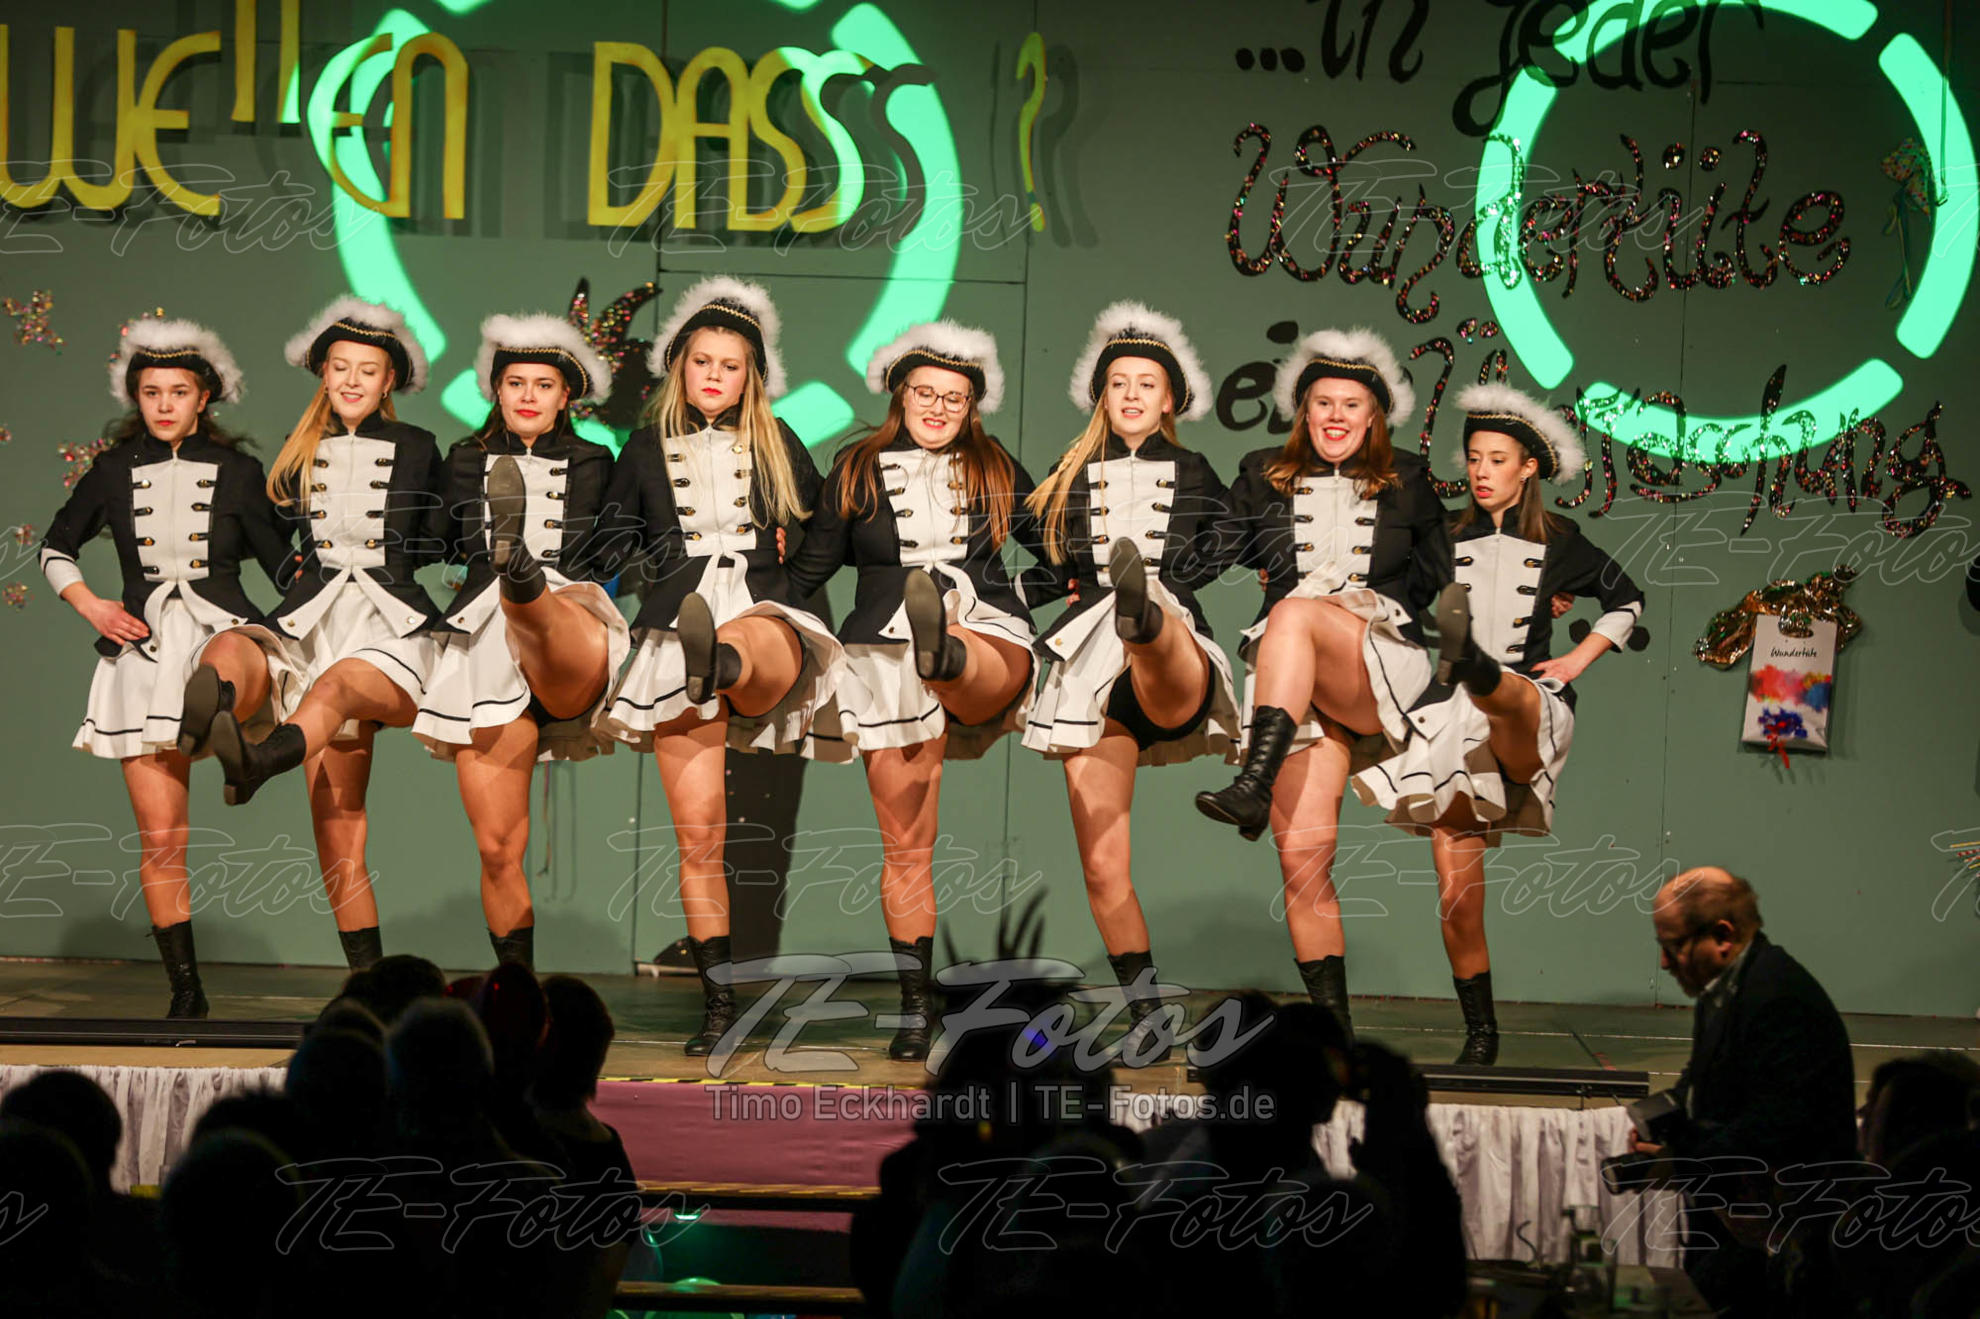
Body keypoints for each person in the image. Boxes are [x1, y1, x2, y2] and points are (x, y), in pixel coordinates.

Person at [211, 314, 629, 970]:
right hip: (481, 647)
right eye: (515, 383)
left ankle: (524, 577)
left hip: (565, 627)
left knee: (546, 607)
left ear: (565, 396)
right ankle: (514, 990)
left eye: (543, 385)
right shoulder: (463, 460)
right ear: (495, 389)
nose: (527, 395)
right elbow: (432, 537)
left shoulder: (596, 461)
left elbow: (621, 538)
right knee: (498, 848)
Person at [1349, 382, 1645, 1063]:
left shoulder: (1561, 541)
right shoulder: (1447, 539)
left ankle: (1479, 665)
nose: (1481, 472)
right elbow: (1394, 601)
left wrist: (1575, 660)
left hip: (1531, 701)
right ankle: (1481, 1032)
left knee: (1509, 696)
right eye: (1475, 458)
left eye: (1497, 460)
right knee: (1456, 896)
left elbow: (1627, 600)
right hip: (1452, 725)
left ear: (1528, 467)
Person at [789, 321, 1054, 1062]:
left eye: (954, 398)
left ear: (973, 407)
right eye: (925, 393)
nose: (938, 408)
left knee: (963, 641)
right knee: (907, 843)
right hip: (884, 653)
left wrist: (1023, 594)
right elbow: (811, 570)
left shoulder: (996, 466)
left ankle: (947, 648)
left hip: (986, 630)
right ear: (899, 395)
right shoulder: (856, 468)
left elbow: (1059, 554)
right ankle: (915, 1008)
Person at [596, 277, 842, 1055]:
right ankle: (717, 1006)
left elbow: (825, 525)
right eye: (701, 361)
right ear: (679, 366)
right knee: (700, 834)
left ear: (751, 377)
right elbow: (610, 539)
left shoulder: (779, 441)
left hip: (764, 614)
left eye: (730, 365)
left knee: (750, 636)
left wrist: (795, 583)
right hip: (677, 623)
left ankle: (723, 658)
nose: (713, 375)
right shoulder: (643, 448)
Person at [1194, 328, 1450, 1041]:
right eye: (1323, 403)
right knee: (1302, 863)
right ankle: (1334, 1041)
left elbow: (1446, 571)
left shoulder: (1408, 478)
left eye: (1351, 405)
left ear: (1374, 417)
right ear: (1302, 411)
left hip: (1377, 662)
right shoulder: (1262, 474)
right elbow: (1205, 557)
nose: (1336, 416)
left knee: (1294, 610)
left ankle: (1252, 779)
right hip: (1292, 683)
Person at [176, 296, 445, 971]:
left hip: (390, 626)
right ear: (323, 373)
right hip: (313, 621)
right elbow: (277, 548)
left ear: (389, 381)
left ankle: (257, 760)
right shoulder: (299, 455)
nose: (352, 380)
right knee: (336, 828)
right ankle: (368, 983)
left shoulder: (418, 447)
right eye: (340, 367)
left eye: (367, 370)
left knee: (339, 685)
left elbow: (444, 532)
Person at [40, 319, 289, 1016]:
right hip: (145, 655)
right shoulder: (112, 470)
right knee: (161, 838)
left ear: (204, 396)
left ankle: (233, 736)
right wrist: (93, 607)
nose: (164, 404)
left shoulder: (240, 472)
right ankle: (186, 992)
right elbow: (55, 548)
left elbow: (286, 565)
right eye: (151, 392)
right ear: (136, 397)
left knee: (225, 665)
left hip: (223, 632)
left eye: (178, 391)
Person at [1021, 302, 1236, 1064]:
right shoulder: (1071, 472)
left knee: (1154, 623)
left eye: (1147, 383)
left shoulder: (1196, 470)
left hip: (1168, 652)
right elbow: (1049, 563)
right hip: (1090, 666)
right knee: (1103, 864)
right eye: (1119, 383)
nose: (1133, 395)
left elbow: (1232, 535)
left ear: (1171, 398)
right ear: (1101, 396)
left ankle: (1143, 610)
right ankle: (1148, 1015)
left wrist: (1180, 575)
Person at [1638, 867, 1856, 1316]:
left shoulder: (1777, 996)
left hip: (1784, 1238)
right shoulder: (1731, 985)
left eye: (1673, 946)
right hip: (1740, 1224)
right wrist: (1666, 1123)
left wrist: (1683, 1161)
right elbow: (1703, 1081)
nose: (1664, 963)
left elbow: (1780, 1122)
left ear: (1723, 936)